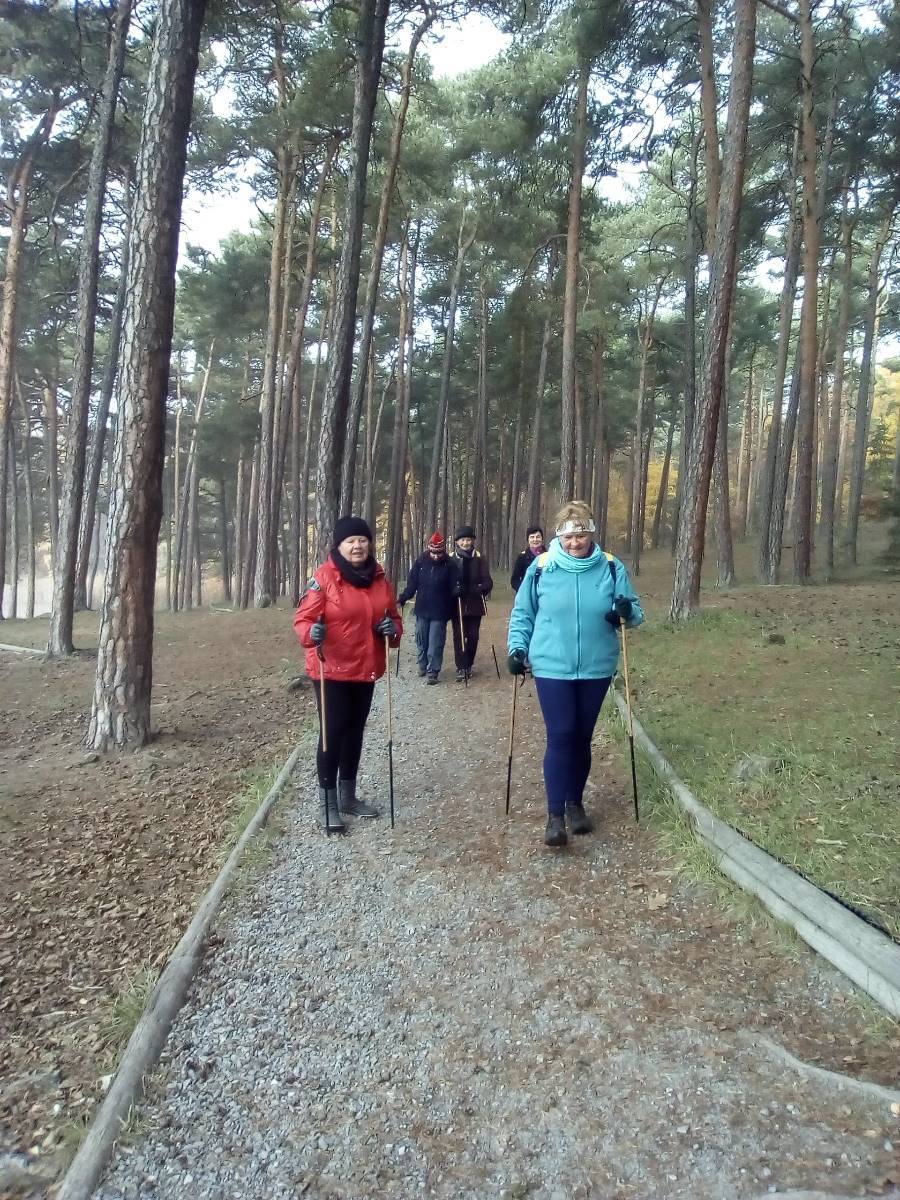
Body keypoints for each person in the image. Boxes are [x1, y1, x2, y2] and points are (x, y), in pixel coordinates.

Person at [507, 500, 643, 848]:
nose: (575, 542)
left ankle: (574, 803)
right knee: (562, 733)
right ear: (559, 537)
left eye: (581, 534)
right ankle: (555, 816)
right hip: (552, 664)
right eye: (568, 536)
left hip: (596, 665)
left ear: (591, 533)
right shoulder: (542, 567)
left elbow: (635, 613)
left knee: (582, 736)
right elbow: (523, 613)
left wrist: (623, 612)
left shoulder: (610, 566)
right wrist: (516, 648)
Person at [293, 516, 402, 833]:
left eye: (363, 540)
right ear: (339, 546)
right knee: (333, 732)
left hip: (365, 667)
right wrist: (311, 632)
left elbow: (394, 619)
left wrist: (392, 629)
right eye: (350, 541)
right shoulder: (324, 578)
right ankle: (327, 804)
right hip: (331, 668)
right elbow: (302, 620)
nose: (357, 546)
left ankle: (348, 797)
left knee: (355, 731)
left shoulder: (379, 578)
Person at [398, 532, 460, 684]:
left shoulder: (450, 564)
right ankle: (422, 664)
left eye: (439, 553)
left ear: (443, 550)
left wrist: (458, 590)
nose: (436, 556)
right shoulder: (421, 561)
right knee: (421, 639)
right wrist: (404, 597)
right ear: (429, 549)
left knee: (435, 642)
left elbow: (455, 584)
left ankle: (433, 671)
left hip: (440, 610)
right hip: (422, 608)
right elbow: (412, 584)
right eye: (433, 552)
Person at [451, 525, 493, 682]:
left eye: (468, 540)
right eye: (463, 540)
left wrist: (482, 588)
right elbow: (447, 581)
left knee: (473, 636)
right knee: (459, 636)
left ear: (473, 541)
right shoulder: (452, 559)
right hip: (457, 604)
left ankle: (468, 663)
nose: (466, 543)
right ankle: (461, 666)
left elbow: (488, 581)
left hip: (475, 604)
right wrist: (454, 589)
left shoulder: (480, 558)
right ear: (457, 542)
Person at [511, 525, 547, 591]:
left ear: (542, 538)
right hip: (528, 593)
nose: (535, 540)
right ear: (528, 539)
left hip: (545, 593)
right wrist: (524, 590)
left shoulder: (549, 556)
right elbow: (514, 580)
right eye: (532, 537)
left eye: (538, 537)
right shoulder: (522, 557)